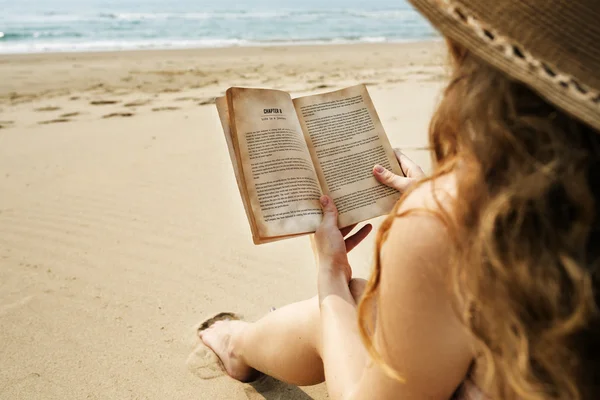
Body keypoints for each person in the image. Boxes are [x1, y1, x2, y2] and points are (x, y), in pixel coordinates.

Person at [200, 0, 600, 398]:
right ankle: (242, 344)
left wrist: (330, 274)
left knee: (348, 306)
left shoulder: (445, 223)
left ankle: (238, 344)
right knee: (376, 308)